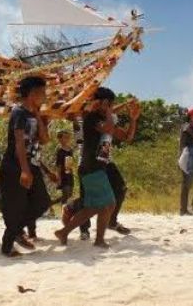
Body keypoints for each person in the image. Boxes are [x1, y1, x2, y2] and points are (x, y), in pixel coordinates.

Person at [55, 88, 140, 249]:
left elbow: (127, 137)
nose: (111, 107)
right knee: (107, 204)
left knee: (99, 205)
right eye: (110, 103)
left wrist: (133, 119)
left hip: (99, 166)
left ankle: (67, 232)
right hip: (90, 166)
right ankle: (93, 238)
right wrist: (109, 110)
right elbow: (108, 128)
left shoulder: (104, 119)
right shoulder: (92, 118)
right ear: (105, 103)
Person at [0, 76, 52, 257]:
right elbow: (19, 143)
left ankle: (15, 232)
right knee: (17, 206)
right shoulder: (18, 112)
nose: (45, 96)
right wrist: (24, 170)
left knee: (42, 202)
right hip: (15, 165)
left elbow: (45, 140)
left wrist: (38, 115)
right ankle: (7, 245)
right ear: (32, 94)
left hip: (32, 164)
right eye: (42, 92)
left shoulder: (33, 114)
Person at [53, 130, 75, 207]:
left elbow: (70, 164)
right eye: (64, 137)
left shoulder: (70, 150)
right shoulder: (60, 151)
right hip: (63, 176)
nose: (67, 139)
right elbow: (58, 166)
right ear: (60, 139)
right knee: (66, 196)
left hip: (70, 175)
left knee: (70, 196)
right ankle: (64, 214)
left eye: (68, 137)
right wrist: (59, 178)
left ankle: (69, 214)